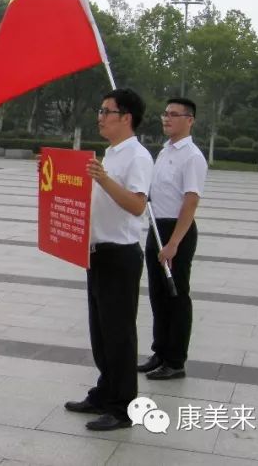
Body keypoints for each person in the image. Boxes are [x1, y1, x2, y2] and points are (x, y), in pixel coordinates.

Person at [65, 88, 154, 431]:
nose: (100, 117)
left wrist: (103, 179)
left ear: (126, 117)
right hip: (98, 253)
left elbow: (137, 205)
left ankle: (123, 407)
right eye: (100, 111)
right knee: (101, 333)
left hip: (120, 255)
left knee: (119, 334)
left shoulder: (138, 157)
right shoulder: (111, 154)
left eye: (107, 111)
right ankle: (104, 393)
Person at [138, 97, 207, 380]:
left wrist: (174, 243)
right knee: (158, 294)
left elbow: (191, 202)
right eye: (165, 113)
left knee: (176, 296)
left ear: (189, 120)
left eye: (174, 114)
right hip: (156, 228)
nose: (166, 118)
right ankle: (160, 352)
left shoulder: (192, 156)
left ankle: (175, 361)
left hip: (177, 232)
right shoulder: (164, 151)